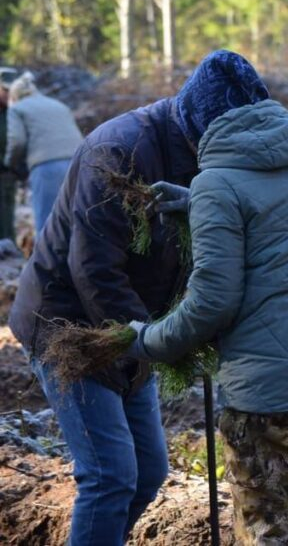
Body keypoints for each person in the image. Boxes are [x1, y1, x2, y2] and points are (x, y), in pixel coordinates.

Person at [8, 49, 268, 544]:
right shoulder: (120, 152)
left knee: (147, 472)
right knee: (109, 476)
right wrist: (150, 340)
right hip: (69, 325)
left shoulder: (206, 154)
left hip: (135, 323)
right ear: (199, 122)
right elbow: (93, 267)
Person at [130, 96, 288, 544]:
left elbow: (212, 301)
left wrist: (150, 341)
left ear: (199, 123)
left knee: (271, 532)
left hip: (268, 392)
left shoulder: (217, 180)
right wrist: (198, 205)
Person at [5, 71, 83, 234]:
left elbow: (17, 141)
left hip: (47, 166)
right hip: (79, 163)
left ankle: (45, 260)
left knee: (47, 223)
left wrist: (10, 163)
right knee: (76, 219)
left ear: (14, 96)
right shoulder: (59, 105)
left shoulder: (17, 109)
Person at [0, 70, 19, 242]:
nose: (9, 95)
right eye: (5, 90)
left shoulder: (13, 112)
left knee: (7, 213)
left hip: (8, 174)